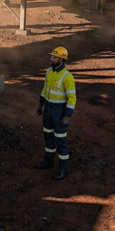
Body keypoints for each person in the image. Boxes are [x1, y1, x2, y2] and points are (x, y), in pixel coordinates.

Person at [35, 46, 76, 180]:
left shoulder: (67, 77)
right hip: (48, 109)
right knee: (48, 136)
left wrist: (67, 115)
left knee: (60, 140)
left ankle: (63, 168)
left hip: (59, 111)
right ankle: (49, 161)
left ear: (62, 60)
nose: (51, 58)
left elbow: (72, 98)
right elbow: (45, 89)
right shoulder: (48, 72)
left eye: (54, 57)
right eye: (51, 56)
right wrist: (41, 104)